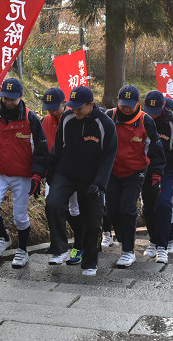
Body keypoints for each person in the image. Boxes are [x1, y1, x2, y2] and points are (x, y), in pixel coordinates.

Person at [45, 86, 118, 276]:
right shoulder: (67, 118)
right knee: (53, 203)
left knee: (93, 221)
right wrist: (50, 171)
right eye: (73, 107)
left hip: (92, 178)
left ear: (90, 104)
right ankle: (60, 248)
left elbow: (108, 158)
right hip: (66, 173)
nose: (75, 111)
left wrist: (99, 184)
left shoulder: (105, 124)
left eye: (79, 108)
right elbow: (58, 147)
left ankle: (90, 262)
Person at [0, 78, 48, 269]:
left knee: (20, 216)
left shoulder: (30, 118)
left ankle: (22, 250)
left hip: (22, 174)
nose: (8, 102)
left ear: (21, 97)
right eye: (5, 98)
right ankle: (4, 237)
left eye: (12, 98)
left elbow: (41, 149)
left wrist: (37, 175)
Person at [105, 85, 165, 268]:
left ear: (138, 103)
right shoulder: (109, 116)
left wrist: (157, 174)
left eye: (129, 105)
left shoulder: (146, 121)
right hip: (112, 171)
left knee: (127, 208)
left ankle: (128, 252)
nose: (125, 108)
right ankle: (123, 237)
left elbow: (156, 149)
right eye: (123, 104)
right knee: (111, 210)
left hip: (135, 172)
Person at [141, 90, 173, 264]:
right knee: (148, 207)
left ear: (163, 106)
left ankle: (162, 246)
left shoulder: (172, 123)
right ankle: (153, 241)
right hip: (146, 168)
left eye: (155, 112)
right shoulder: (141, 119)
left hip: (168, 170)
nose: (152, 115)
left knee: (163, 204)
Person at [41, 87, 83, 265]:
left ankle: (81, 244)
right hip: (54, 171)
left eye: (55, 107)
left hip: (75, 172)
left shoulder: (75, 117)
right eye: (48, 107)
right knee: (52, 205)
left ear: (64, 104)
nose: (52, 111)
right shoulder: (44, 121)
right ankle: (58, 245)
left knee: (74, 209)